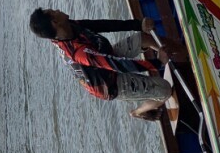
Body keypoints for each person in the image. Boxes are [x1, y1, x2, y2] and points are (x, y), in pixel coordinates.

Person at [29, 7, 174, 119]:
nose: (58, 10)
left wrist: (138, 24)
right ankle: (138, 112)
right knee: (166, 90)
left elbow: (102, 25)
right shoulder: (79, 52)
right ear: (55, 22)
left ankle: (174, 55)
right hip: (109, 84)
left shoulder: (70, 26)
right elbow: (117, 65)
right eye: (54, 11)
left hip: (105, 58)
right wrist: (158, 62)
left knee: (144, 38)